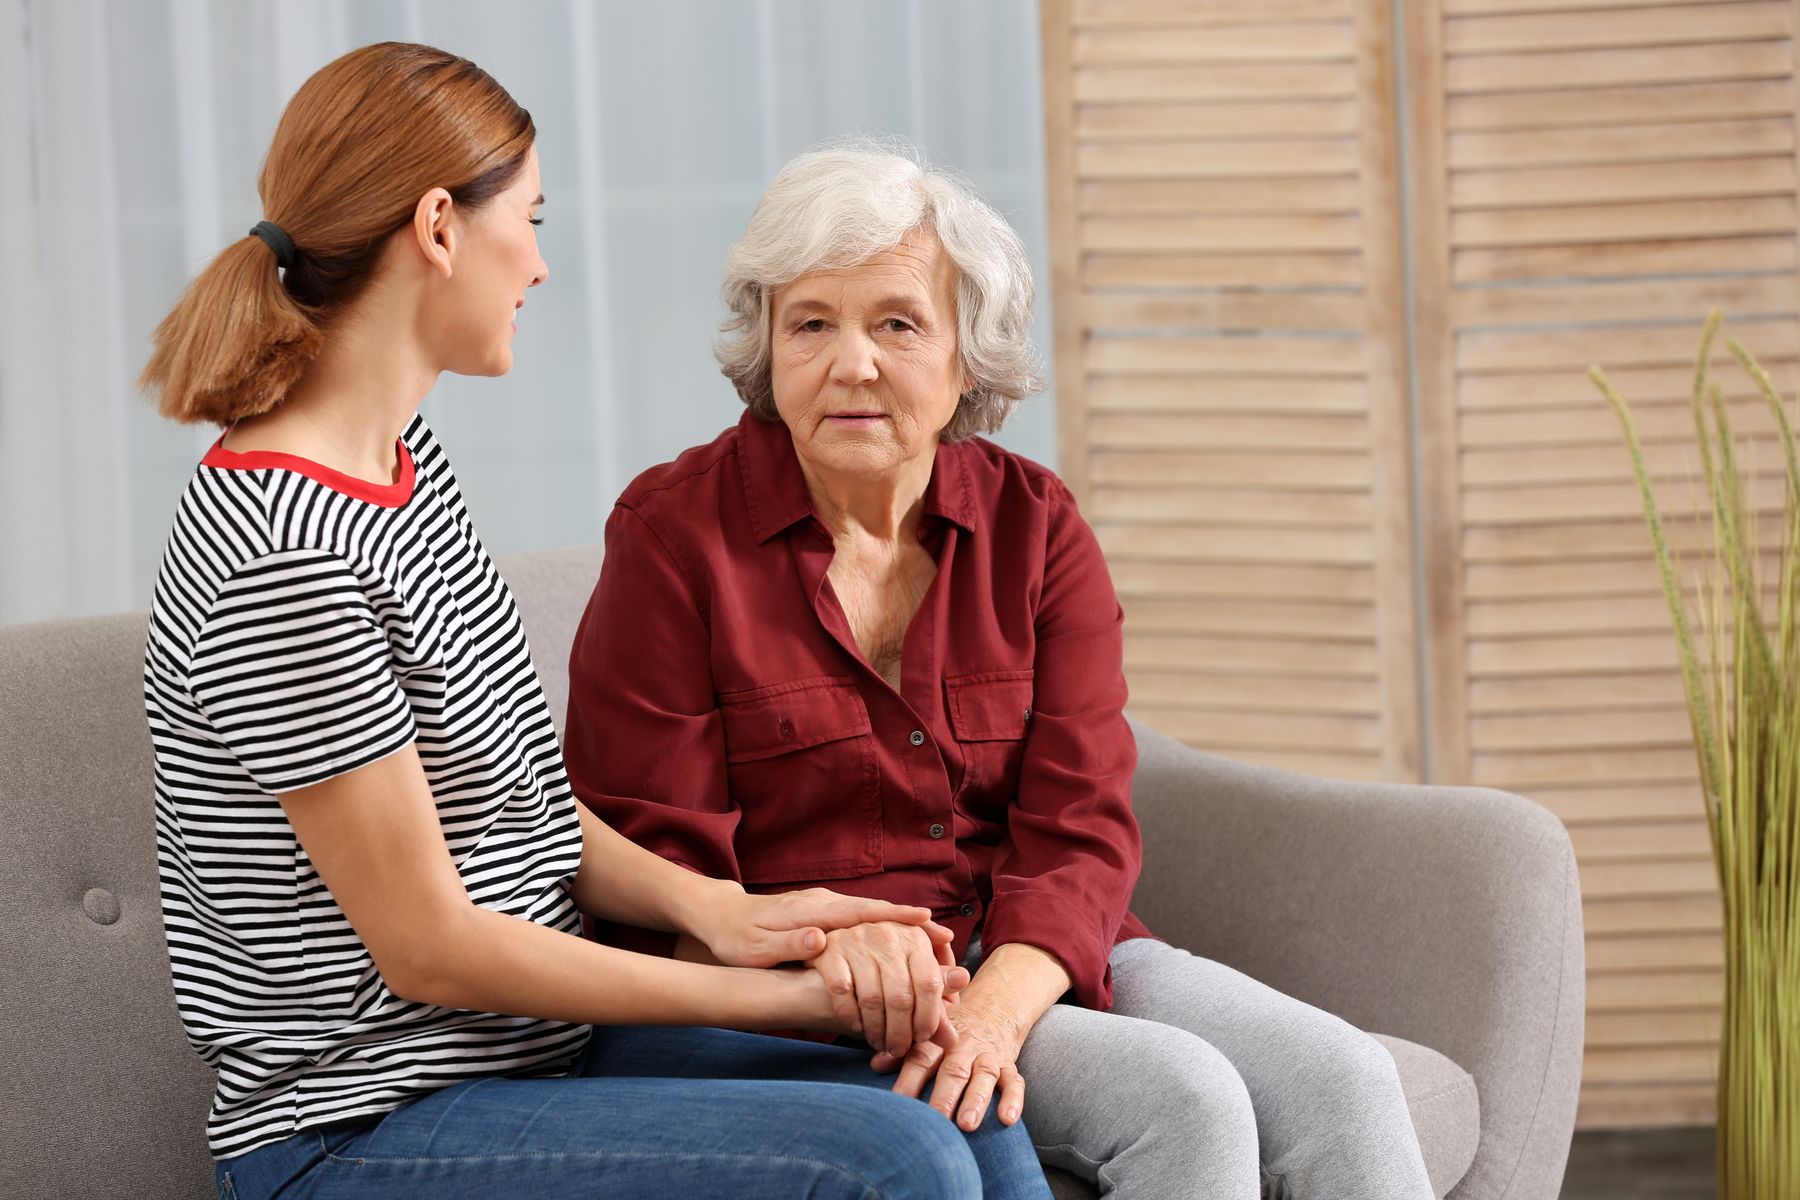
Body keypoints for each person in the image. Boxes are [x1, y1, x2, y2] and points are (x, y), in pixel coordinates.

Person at [140, 46, 1046, 1200]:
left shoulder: (403, 471)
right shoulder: (282, 552)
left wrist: (731, 914)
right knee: (898, 1157)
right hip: (357, 1129)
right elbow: (428, 945)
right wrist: (783, 998)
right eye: (530, 216)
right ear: (437, 228)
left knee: (950, 1108)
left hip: (523, 1065)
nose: (541, 263)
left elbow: (514, 806)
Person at [564, 138, 1439, 1199]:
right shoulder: (670, 537)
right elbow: (666, 867)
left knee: (1347, 1080)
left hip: (1040, 950)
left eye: (897, 323)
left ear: (965, 355)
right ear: (767, 350)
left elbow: (1082, 825)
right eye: (811, 324)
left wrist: (996, 1007)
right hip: (835, 992)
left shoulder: (1037, 527)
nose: (853, 363)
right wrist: (856, 973)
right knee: (1184, 1100)